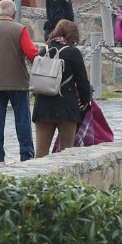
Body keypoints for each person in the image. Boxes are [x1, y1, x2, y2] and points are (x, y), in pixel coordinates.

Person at [0, 0, 36, 163]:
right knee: (22, 119)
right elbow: (31, 53)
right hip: (18, 82)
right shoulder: (20, 30)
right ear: (15, 13)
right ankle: (26, 154)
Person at [34, 19, 92, 155]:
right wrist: (84, 101)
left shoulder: (44, 50)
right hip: (66, 107)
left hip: (43, 106)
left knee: (41, 153)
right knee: (67, 153)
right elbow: (83, 82)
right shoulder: (73, 53)